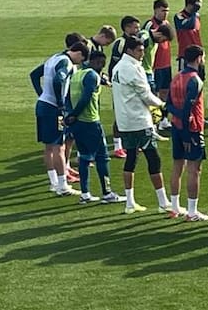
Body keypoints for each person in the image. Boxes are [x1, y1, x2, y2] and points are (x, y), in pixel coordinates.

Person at [110, 35, 172, 214]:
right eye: (139, 51)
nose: (142, 54)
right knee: (153, 158)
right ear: (129, 50)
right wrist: (162, 104)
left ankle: (130, 202)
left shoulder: (118, 67)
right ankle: (163, 202)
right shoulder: (132, 68)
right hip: (138, 121)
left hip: (124, 121)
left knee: (131, 158)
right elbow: (145, 95)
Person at [30, 40, 90, 196]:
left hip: (42, 104)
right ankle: (62, 185)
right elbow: (59, 79)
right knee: (59, 146)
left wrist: (41, 94)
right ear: (78, 53)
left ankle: (53, 183)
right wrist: (61, 104)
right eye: (81, 59)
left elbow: (34, 74)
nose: (80, 63)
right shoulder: (66, 63)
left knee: (48, 146)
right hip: (53, 109)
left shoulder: (53, 58)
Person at [66, 50, 123, 204]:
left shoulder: (77, 74)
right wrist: (75, 114)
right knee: (102, 157)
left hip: (77, 124)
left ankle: (85, 194)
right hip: (90, 122)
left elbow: (68, 95)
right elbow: (86, 96)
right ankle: (107, 193)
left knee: (84, 157)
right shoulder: (92, 76)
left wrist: (70, 114)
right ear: (98, 62)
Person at [166, 45, 208, 222]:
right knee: (195, 170)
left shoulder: (177, 77)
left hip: (176, 127)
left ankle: (175, 207)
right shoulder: (195, 81)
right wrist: (187, 134)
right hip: (191, 130)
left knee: (177, 166)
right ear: (199, 58)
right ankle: (192, 212)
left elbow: (168, 104)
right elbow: (188, 110)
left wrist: (177, 116)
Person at [108, 16, 142, 158]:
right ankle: (117, 146)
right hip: (121, 84)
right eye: (135, 27)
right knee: (120, 113)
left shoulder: (136, 41)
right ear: (127, 28)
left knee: (132, 112)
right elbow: (113, 65)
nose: (138, 29)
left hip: (132, 82)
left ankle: (130, 143)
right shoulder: (120, 43)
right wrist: (114, 81)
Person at [143, 0, 170, 96]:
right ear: (156, 10)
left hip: (166, 64)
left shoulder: (166, 23)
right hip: (156, 65)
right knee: (155, 92)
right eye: (163, 11)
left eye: (167, 11)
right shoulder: (149, 24)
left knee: (166, 91)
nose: (165, 13)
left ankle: (164, 111)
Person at [174, 0, 205, 80]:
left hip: (198, 53)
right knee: (184, 79)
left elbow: (197, 34)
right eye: (196, 6)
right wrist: (194, 13)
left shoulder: (197, 16)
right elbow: (189, 25)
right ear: (189, 5)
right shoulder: (179, 16)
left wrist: (202, 53)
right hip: (185, 54)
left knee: (199, 79)